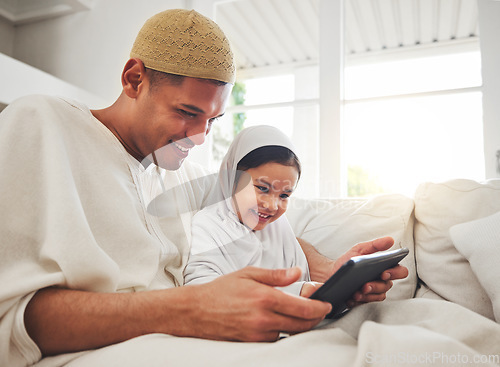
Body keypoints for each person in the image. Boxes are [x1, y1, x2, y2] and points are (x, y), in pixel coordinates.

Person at [0, 8, 408, 367]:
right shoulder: (42, 124)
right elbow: (14, 318)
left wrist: (327, 272)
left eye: (213, 120)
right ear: (134, 79)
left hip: (184, 337)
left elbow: (247, 219)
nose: (199, 137)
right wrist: (188, 310)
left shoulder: (180, 172)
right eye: (187, 112)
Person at [184, 125, 316, 296]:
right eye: (262, 188)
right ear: (231, 178)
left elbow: (302, 282)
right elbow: (200, 291)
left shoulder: (280, 228)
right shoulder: (207, 225)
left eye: (284, 195)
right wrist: (297, 292)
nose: (272, 206)